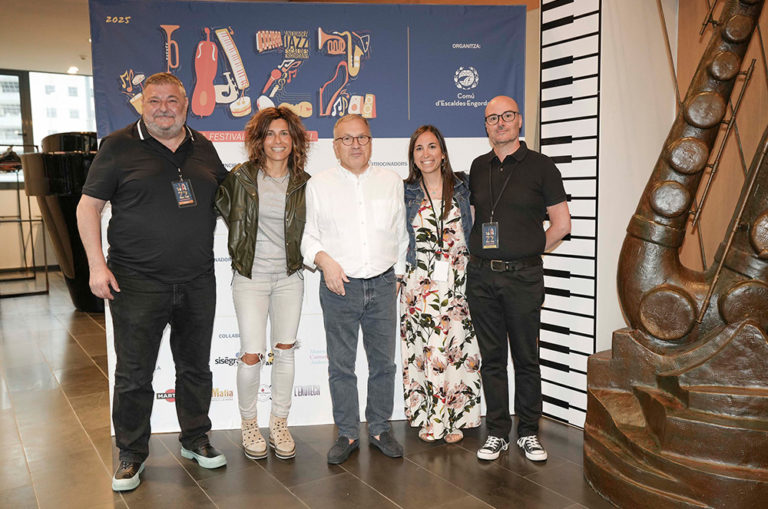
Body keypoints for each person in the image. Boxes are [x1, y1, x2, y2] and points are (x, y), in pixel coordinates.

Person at [76, 72, 228, 492]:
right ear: (142, 105)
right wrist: (96, 266)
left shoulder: (204, 146)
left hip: (198, 280)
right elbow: (88, 208)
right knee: (134, 374)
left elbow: (230, 201)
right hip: (135, 282)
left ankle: (196, 438)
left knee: (195, 367)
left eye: (172, 100)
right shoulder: (118, 146)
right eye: (155, 100)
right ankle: (131, 453)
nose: (164, 108)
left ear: (186, 105)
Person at [467, 95, 571, 462]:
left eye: (507, 115)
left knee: (526, 358)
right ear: (486, 125)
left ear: (519, 120)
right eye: (492, 118)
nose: (500, 123)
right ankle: (497, 432)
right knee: (492, 360)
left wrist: (529, 250)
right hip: (481, 277)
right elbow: (477, 218)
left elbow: (562, 224)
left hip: (524, 278)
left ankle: (528, 432)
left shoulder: (542, 166)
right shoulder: (477, 167)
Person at [301, 114, 408, 464]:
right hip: (339, 286)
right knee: (341, 366)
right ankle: (347, 433)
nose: (355, 144)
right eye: (346, 139)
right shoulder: (319, 185)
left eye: (362, 137)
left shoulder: (391, 181)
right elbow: (308, 237)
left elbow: (401, 234)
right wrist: (324, 261)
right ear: (335, 147)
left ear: (371, 142)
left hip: (383, 283)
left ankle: (379, 428)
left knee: (384, 365)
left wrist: (399, 275)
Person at [215, 106, 310, 461]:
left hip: (289, 277)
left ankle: (279, 423)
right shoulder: (239, 178)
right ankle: (249, 424)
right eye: (270, 133)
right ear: (259, 140)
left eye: (284, 133)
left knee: (284, 350)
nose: (277, 140)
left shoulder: (304, 183)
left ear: (294, 140)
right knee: (252, 354)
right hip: (250, 277)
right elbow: (220, 211)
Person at [400, 125, 481, 443]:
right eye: (419, 148)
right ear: (413, 157)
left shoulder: (463, 188)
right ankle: (432, 419)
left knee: (456, 350)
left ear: (443, 152)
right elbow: (395, 236)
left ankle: (456, 419)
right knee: (427, 351)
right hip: (419, 286)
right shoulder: (405, 192)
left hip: (458, 283)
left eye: (432, 146)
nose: (426, 154)